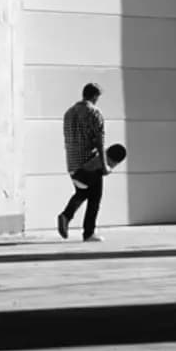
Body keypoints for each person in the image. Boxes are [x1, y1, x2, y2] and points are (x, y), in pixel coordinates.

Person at [57, 83, 110, 241]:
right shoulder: (94, 112)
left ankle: (66, 216)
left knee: (83, 192)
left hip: (73, 162)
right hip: (90, 162)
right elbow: (99, 141)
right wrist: (104, 165)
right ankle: (88, 232)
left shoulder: (69, 113)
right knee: (95, 197)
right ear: (95, 96)